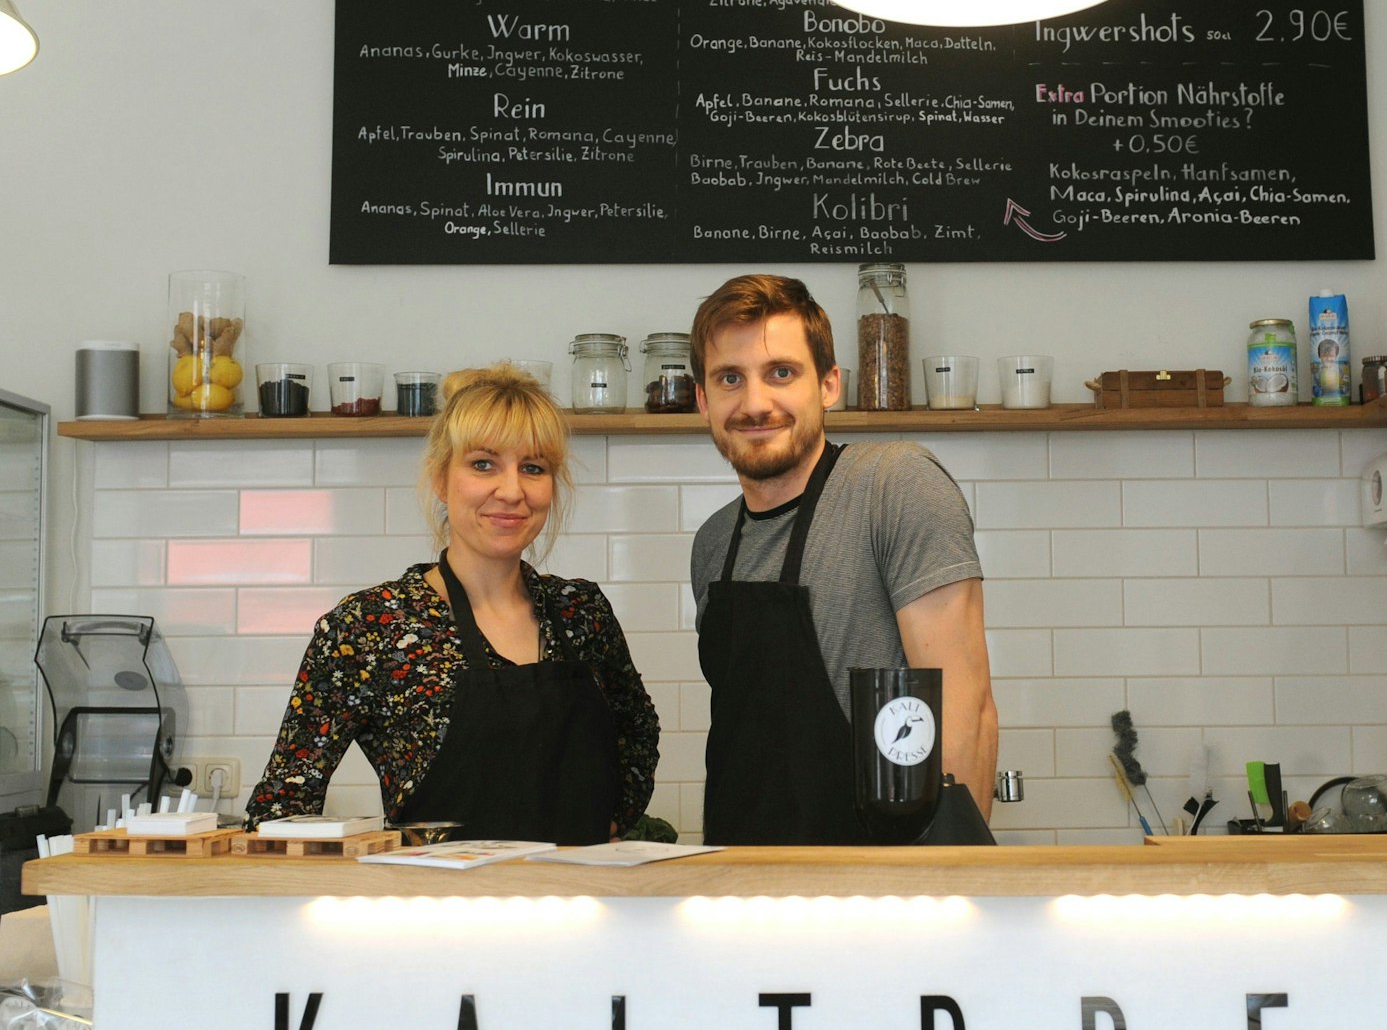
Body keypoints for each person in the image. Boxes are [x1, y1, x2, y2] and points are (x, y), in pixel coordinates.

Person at [245, 364, 660, 844]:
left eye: (533, 467)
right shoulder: (371, 626)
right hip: (434, 892)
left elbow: (638, 730)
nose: (512, 491)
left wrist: (609, 822)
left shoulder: (580, 612)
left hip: (581, 887)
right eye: (483, 464)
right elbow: (282, 806)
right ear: (442, 479)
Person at [688, 274, 998, 844]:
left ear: (829, 384)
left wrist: (947, 880)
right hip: (740, 876)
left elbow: (966, 709)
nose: (755, 404)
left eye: (781, 373)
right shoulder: (713, 543)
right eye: (730, 378)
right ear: (703, 399)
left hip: (877, 879)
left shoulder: (894, 486)